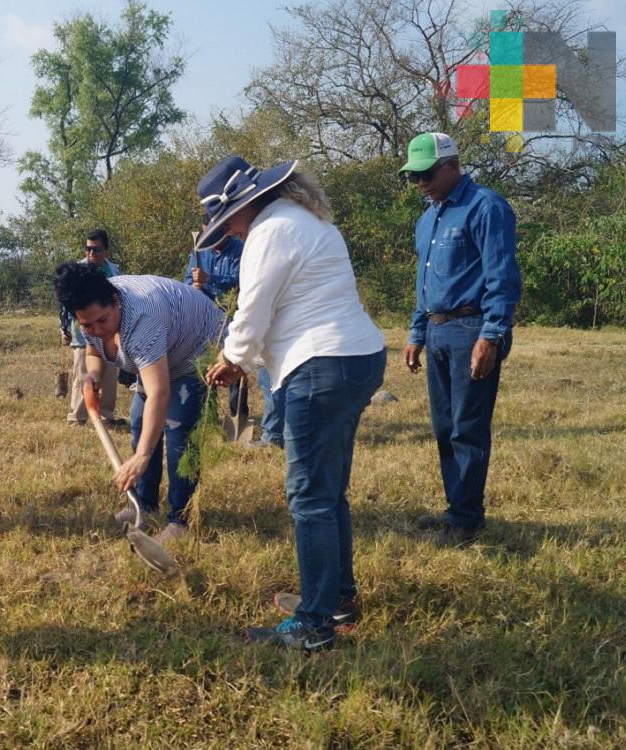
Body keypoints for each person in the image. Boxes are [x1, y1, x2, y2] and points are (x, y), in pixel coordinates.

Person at [202, 155, 386, 652]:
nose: (231, 234)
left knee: (309, 497)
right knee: (329, 491)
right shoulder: (302, 221)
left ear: (245, 205)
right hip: (354, 358)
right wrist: (242, 356)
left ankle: (313, 625)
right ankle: (336, 598)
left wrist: (232, 358)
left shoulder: (270, 231)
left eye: (227, 223)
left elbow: (252, 308)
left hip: (321, 367)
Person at [398, 132, 521, 544]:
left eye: (427, 174)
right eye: (414, 177)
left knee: (467, 427)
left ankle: (466, 519)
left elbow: (502, 277)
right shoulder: (428, 216)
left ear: (452, 164)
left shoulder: (486, 207)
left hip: (471, 329)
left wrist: (492, 334)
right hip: (436, 330)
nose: (421, 184)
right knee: (444, 426)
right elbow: (425, 280)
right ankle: (457, 509)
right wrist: (417, 331)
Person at [54, 262, 225, 543]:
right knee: (139, 422)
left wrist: (142, 456)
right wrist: (93, 375)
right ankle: (144, 504)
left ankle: (179, 519)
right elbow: (94, 350)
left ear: (115, 301)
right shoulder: (89, 313)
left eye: (103, 321)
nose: (96, 329)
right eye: (87, 324)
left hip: (197, 346)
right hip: (162, 347)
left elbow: (159, 393)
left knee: (179, 430)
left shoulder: (143, 319)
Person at [185, 222, 285, 449]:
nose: (212, 236)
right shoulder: (198, 251)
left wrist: (211, 279)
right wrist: (194, 286)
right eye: (207, 232)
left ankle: (237, 412)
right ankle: (204, 417)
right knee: (203, 368)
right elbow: (188, 279)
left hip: (234, 316)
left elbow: (245, 282)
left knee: (235, 368)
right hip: (205, 317)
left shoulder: (242, 249)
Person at [59, 229, 121, 425]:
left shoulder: (114, 270)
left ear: (105, 250)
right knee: (83, 375)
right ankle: (78, 417)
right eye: (88, 249)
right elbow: (65, 305)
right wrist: (65, 330)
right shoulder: (76, 271)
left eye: (96, 250)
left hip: (110, 331)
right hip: (82, 332)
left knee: (110, 375)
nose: (91, 254)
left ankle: (105, 415)